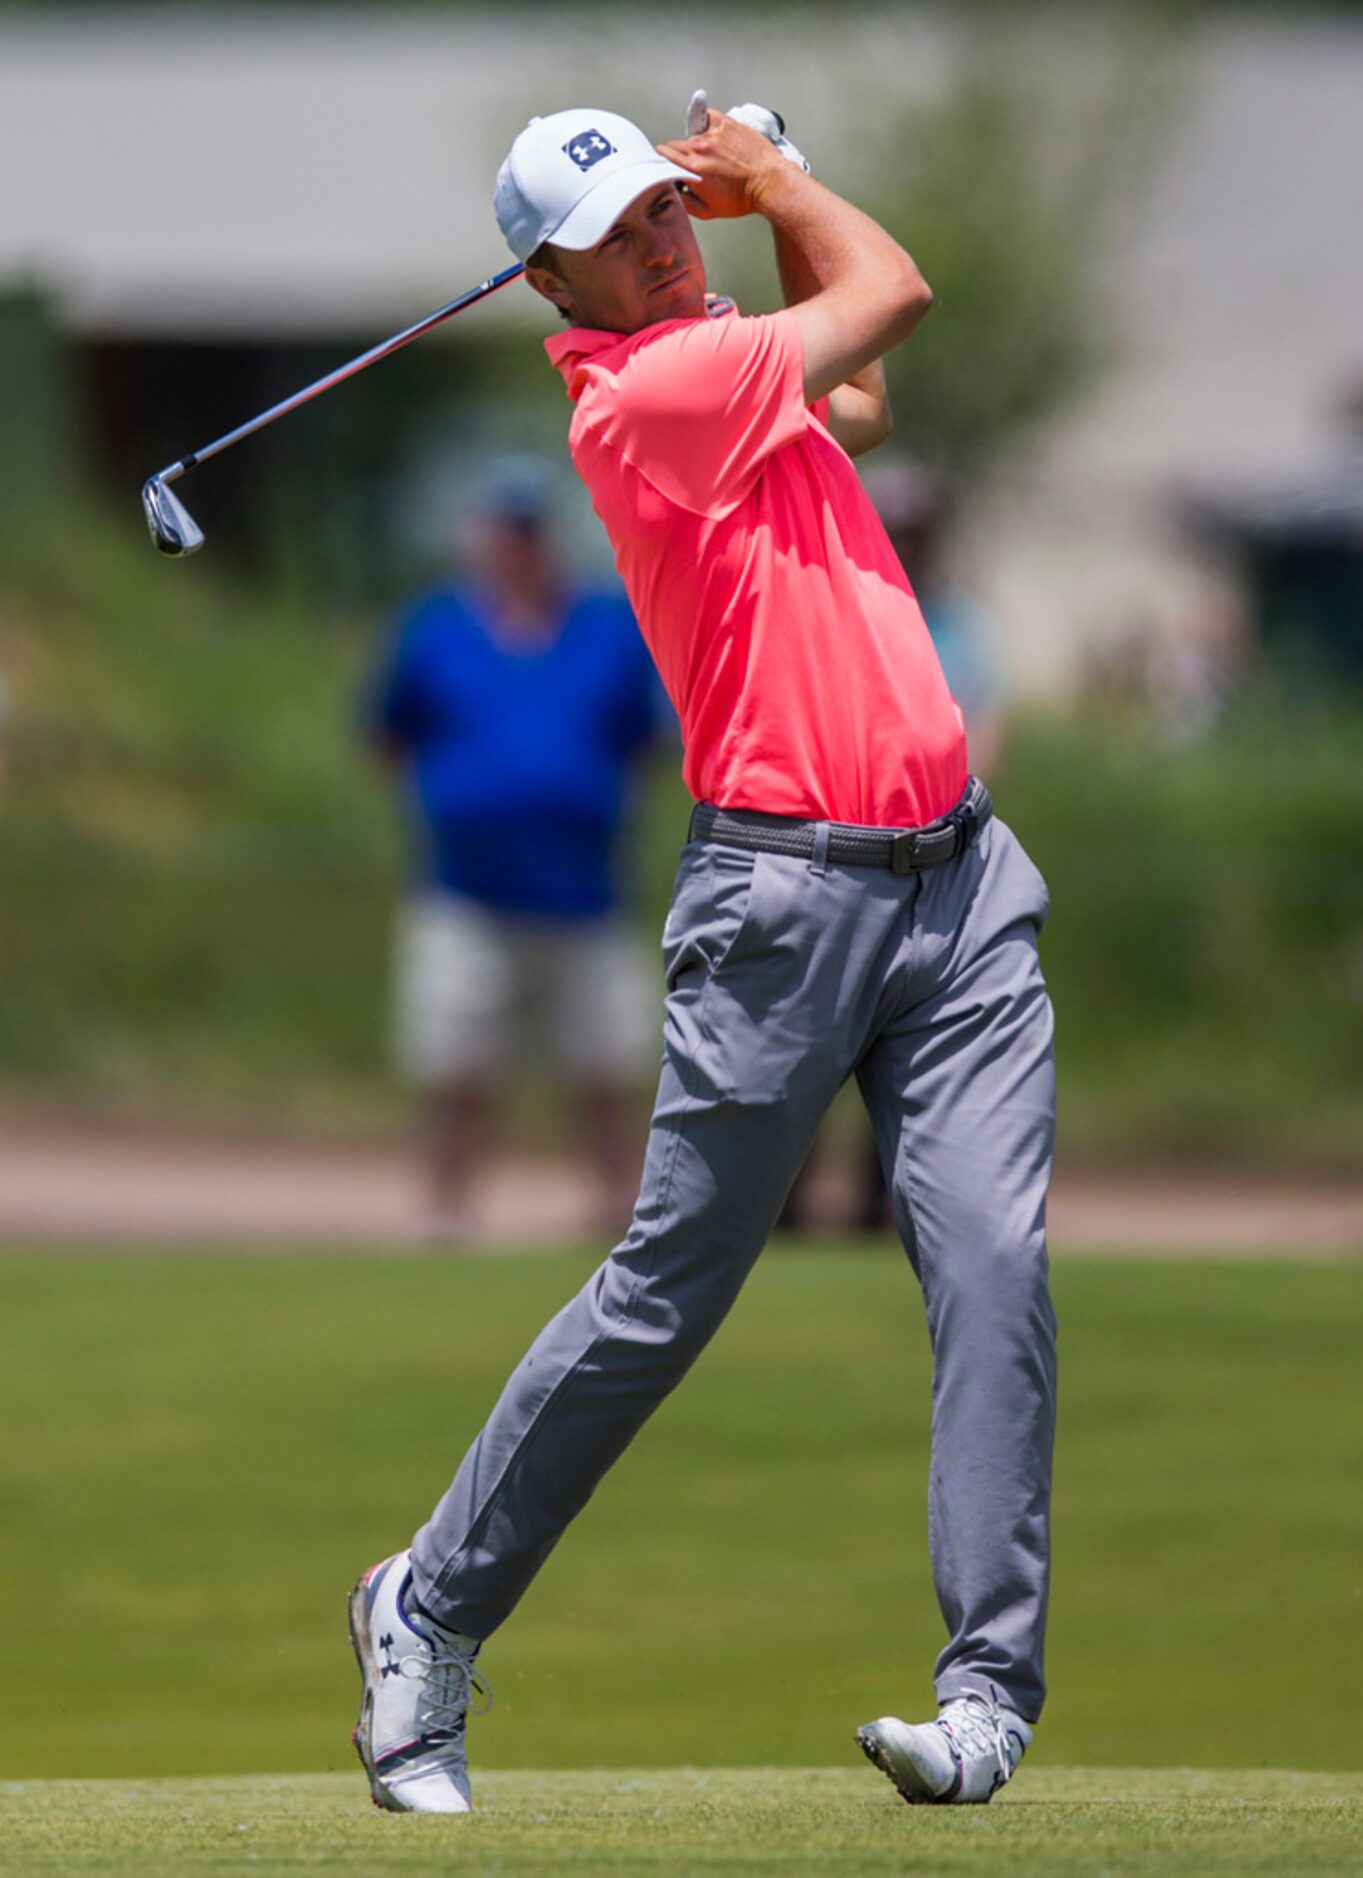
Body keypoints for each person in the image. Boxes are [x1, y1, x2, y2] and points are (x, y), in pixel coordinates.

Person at [348, 101, 1057, 1815]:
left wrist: (759, 200)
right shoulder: (648, 396)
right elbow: (892, 288)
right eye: (632, 228)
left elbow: (864, 389)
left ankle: (984, 1693)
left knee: (993, 1272)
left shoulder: (726, 358)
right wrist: (777, 182)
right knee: (666, 1295)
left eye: (677, 209)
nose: (671, 240)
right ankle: (424, 1603)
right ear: (551, 283)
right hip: (781, 903)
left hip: (957, 887)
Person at [362, 459, 663, 1236]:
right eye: (507, 531)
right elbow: (387, 735)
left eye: (531, 532)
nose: (520, 547)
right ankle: (445, 1207)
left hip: (583, 888)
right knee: (453, 1064)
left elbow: (643, 742)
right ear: (482, 540)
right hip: (465, 885)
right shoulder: (433, 630)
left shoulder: (604, 628)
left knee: (604, 1065)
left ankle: (616, 1208)